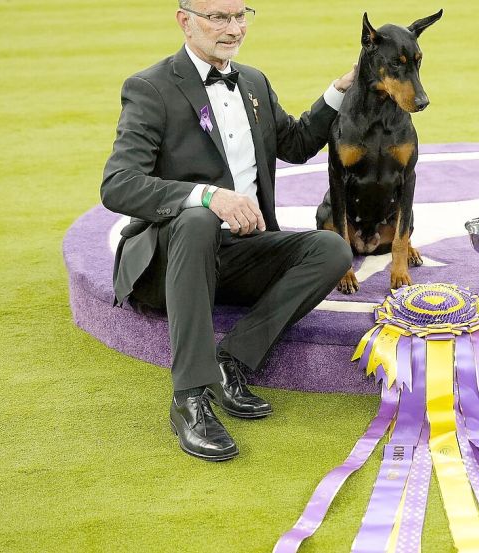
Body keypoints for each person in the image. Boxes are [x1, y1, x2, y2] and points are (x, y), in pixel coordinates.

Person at [101, 0, 355, 461]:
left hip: (239, 256)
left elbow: (296, 144)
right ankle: (189, 398)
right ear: (185, 21)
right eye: (218, 17)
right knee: (198, 218)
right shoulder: (150, 88)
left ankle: (229, 361)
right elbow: (118, 184)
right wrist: (207, 196)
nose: (234, 28)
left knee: (332, 249)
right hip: (169, 263)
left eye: (240, 16)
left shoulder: (253, 82)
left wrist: (340, 89)